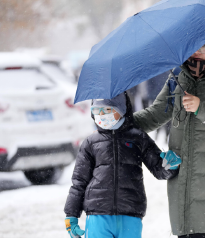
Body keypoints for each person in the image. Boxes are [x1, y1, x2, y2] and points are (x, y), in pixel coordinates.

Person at [133, 16, 205, 238]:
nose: (197, 50)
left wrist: (202, 108)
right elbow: (157, 113)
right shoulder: (179, 76)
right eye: (193, 44)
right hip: (187, 173)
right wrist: (122, 124)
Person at [63, 92, 181, 238]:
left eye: (107, 110)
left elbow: (159, 170)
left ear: (121, 110)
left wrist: (170, 165)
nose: (101, 115)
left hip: (130, 212)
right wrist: (71, 215)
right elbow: (79, 182)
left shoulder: (137, 137)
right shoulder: (90, 143)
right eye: (96, 111)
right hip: (98, 215)